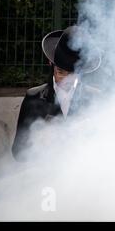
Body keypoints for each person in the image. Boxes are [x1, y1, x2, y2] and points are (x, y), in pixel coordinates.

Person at [11, 26, 101, 161]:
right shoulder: (34, 97)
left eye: (72, 74)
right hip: (44, 177)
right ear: (50, 63)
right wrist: (42, 142)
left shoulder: (95, 98)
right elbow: (18, 152)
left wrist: (88, 135)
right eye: (61, 72)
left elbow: (105, 149)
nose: (66, 80)